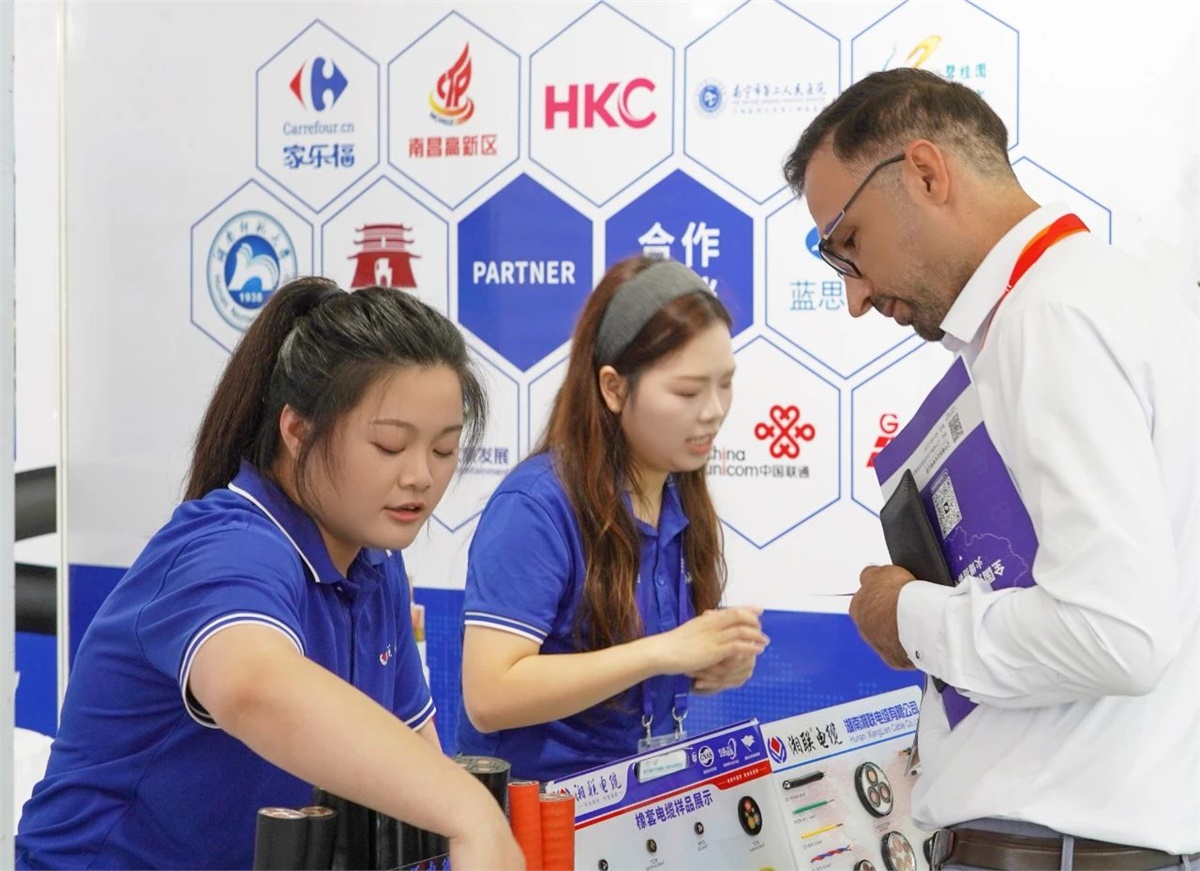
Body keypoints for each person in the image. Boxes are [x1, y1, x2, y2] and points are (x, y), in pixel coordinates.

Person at [783, 68, 1199, 870]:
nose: (856, 297)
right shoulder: (1128, 299)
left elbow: (1117, 635)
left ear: (926, 173)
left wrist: (907, 615)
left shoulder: (1051, 319)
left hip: (1056, 848)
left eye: (850, 244)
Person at [16, 278, 524, 871]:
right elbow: (253, 688)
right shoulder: (228, 546)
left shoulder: (376, 562)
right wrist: (468, 810)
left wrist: (459, 815)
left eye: (443, 450)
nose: (421, 476)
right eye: (390, 446)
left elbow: (412, 758)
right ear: (298, 430)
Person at [457, 256, 769, 782]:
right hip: (540, 812)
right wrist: (661, 652)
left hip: (645, 802)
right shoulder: (536, 506)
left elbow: (640, 670)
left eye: (725, 384)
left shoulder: (677, 493)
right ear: (614, 388)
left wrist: (712, 664)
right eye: (688, 391)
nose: (714, 410)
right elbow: (490, 696)